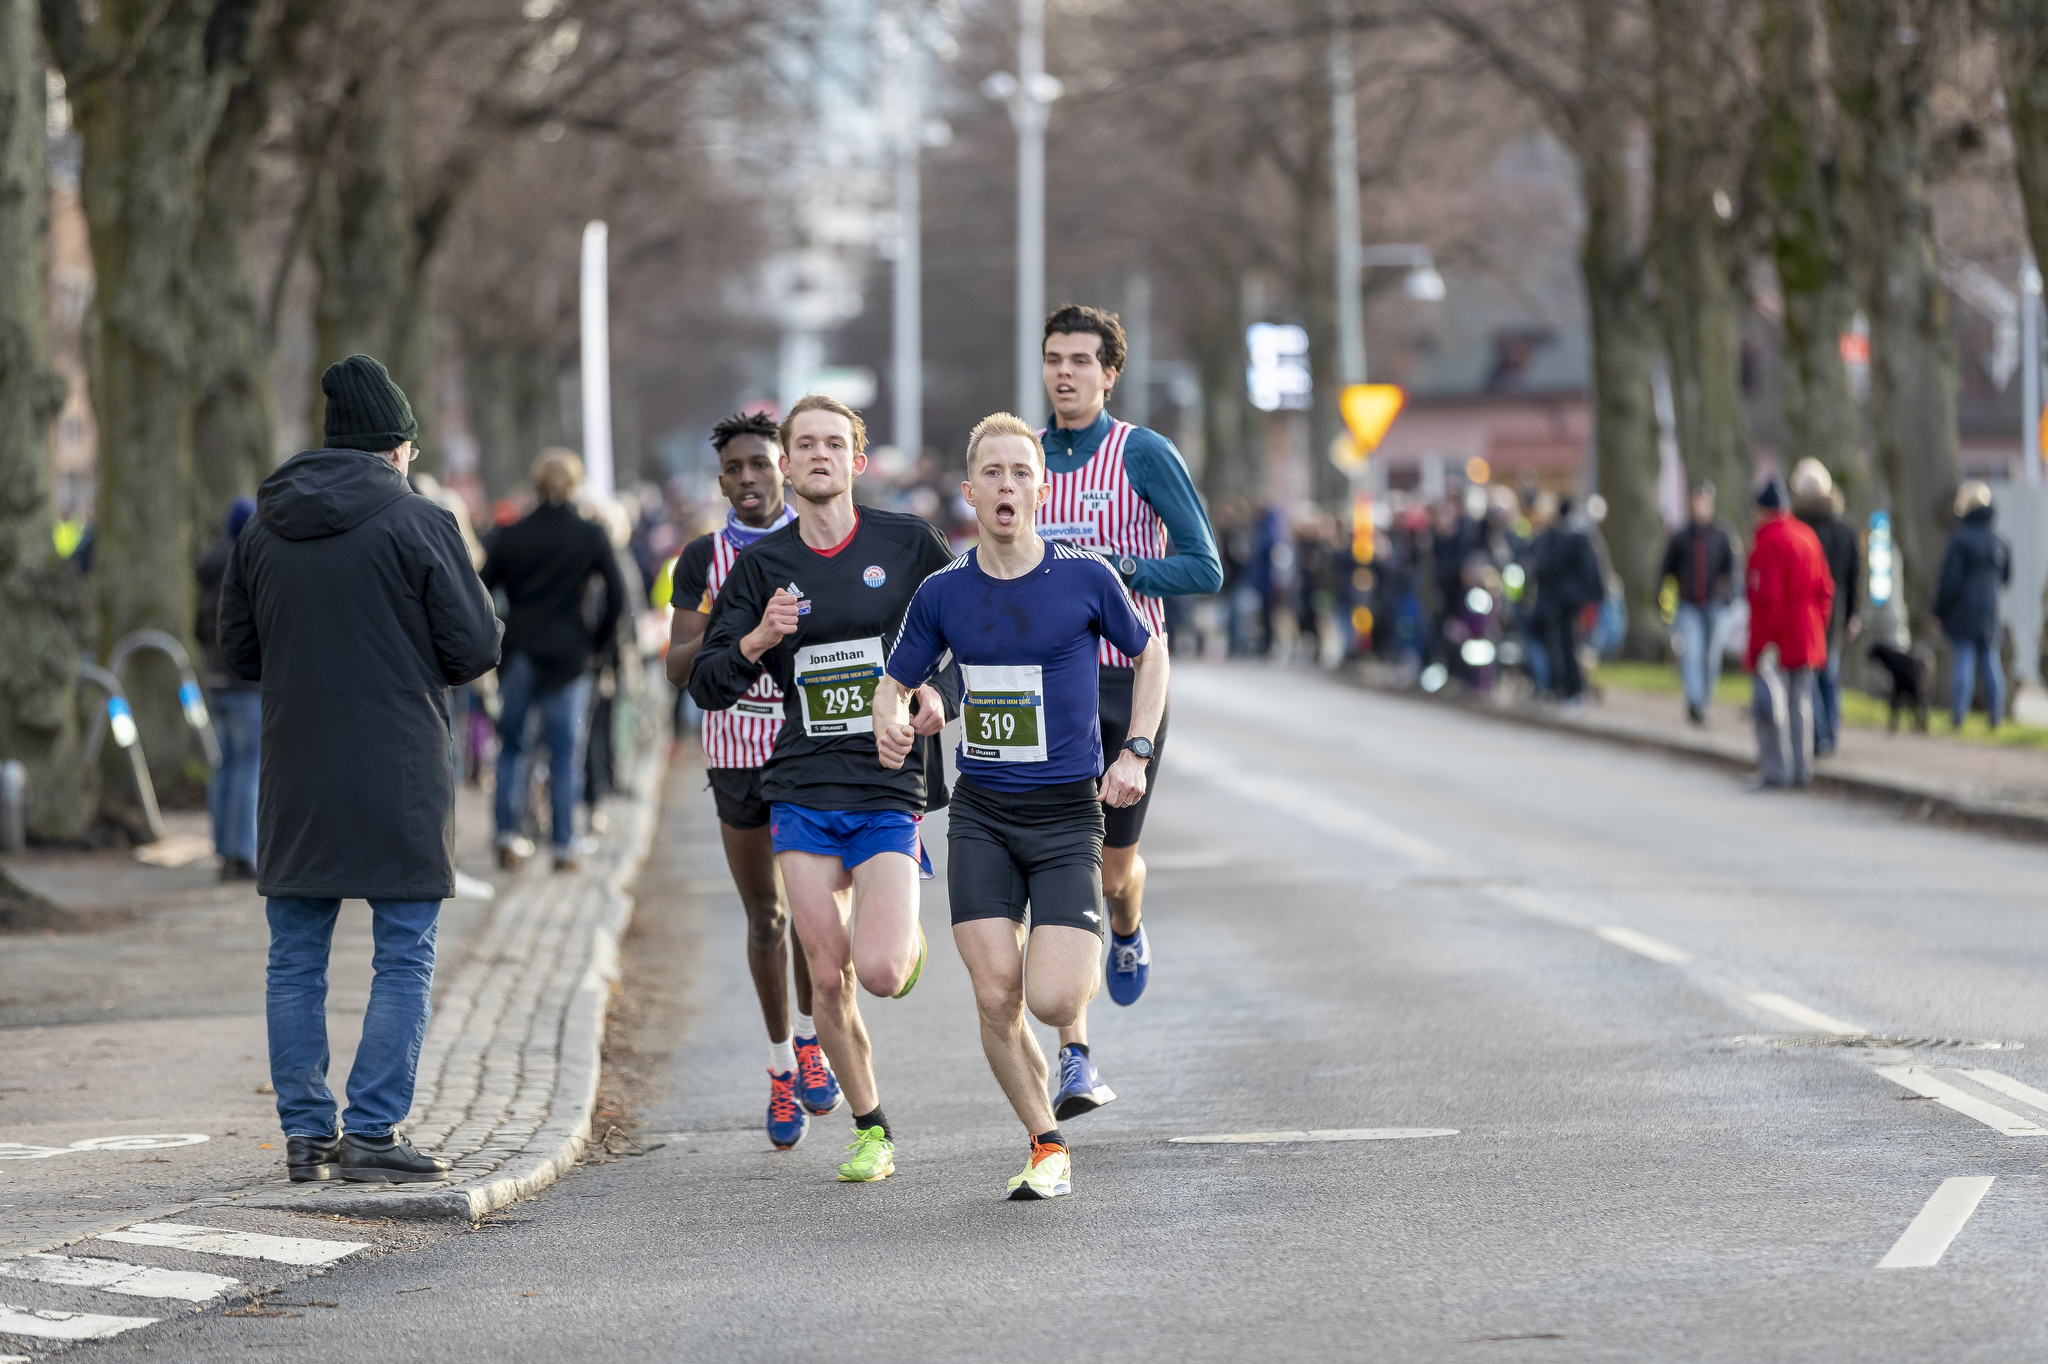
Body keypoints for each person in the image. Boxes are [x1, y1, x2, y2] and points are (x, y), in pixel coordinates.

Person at [218, 354, 501, 1184]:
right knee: (403, 952)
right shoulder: (422, 522)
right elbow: (476, 647)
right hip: (399, 766)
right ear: (396, 446)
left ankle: (306, 1137)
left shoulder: (262, 527)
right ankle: (373, 1132)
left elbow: (238, 652)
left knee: (294, 958)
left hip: (297, 768)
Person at [874, 413, 1167, 1200]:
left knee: (1054, 996)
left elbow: (1151, 656)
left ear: (1041, 488)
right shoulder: (943, 592)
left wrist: (1136, 750)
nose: (1007, 485)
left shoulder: (1084, 577)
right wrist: (890, 723)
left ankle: (1096, 952)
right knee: (995, 993)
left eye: (1020, 472)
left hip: (1067, 815)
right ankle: (1046, 1143)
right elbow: (894, 682)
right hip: (983, 817)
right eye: (992, 473)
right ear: (970, 492)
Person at [689, 394, 956, 1183]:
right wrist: (758, 638)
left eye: (832, 444)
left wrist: (938, 696)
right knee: (826, 973)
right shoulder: (761, 567)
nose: (817, 455)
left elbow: (967, 635)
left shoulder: (908, 543)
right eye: (803, 444)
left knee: (879, 972)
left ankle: (901, 940)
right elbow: (706, 681)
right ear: (787, 463)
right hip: (801, 787)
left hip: (886, 782)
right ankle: (872, 1129)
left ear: (856, 461)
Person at [1036, 303, 1223, 1120]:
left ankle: (1127, 923)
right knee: (1061, 870)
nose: (1065, 372)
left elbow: (1205, 567)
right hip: (1048, 689)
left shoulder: (1141, 452)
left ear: (1109, 374)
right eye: (1054, 358)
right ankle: (1075, 1057)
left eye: (1082, 360)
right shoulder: (1025, 457)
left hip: (1129, 681)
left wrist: (1122, 570)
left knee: (1111, 874)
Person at [664, 412, 841, 1150]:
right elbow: (677, 668)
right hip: (736, 748)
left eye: (761, 464)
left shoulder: (817, 543)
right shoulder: (701, 558)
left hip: (809, 744)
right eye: (735, 468)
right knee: (766, 916)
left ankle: (812, 1038)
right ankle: (780, 1068)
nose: (748, 479)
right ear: (720, 481)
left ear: (785, 470)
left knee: (816, 916)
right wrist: (730, 626)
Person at [481, 449, 626, 872]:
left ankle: (506, 835)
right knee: (565, 753)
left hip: (520, 651)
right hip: (571, 655)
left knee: (513, 747)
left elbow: (479, 588)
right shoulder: (589, 534)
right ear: (575, 483)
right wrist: (597, 644)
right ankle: (563, 844)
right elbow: (618, 596)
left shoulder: (511, 533)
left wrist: (496, 635)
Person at [1744, 474, 1833, 789]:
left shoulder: (1767, 541)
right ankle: (1801, 769)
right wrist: (1818, 625)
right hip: (1808, 632)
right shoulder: (1807, 536)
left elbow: (1767, 599)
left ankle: (1776, 770)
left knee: (1771, 707)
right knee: (1801, 704)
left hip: (1779, 638)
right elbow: (1825, 589)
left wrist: (1761, 643)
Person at [195, 496, 261, 882]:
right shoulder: (248, 566)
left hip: (214, 682)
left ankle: (222, 849)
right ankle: (244, 852)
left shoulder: (207, 571)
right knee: (248, 768)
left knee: (222, 767)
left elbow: (199, 629)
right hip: (246, 685)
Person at [1790, 460, 1860, 755]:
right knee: (1829, 675)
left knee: (1811, 677)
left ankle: (1820, 736)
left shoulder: (1799, 530)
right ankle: (1830, 732)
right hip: (1837, 611)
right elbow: (1854, 576)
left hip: (1808, 611)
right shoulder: (1845, 530)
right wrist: (1853, 614)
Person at [1934, 480, 2013, 731]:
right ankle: (1996, 717)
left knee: (1964, 661)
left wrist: (1939, 611)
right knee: (1990, 661)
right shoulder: (1999, 540)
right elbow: (2006, 578)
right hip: (1990, 610)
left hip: (1962, 611)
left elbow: (1950, 581)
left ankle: (1959, 716)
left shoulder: (1960, 539)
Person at [1659, 481, 1738, 726]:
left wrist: (1728, 594)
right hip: (1689, 604)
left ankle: (1704, 700)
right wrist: (1663, 601)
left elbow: (1732, 568)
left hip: (1714, 604)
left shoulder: (1722, 534)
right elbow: (1666, 570)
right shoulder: (1681, 536)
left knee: (1711, 657)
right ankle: (1694, 701)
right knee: (1691, 652)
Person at [1529, 497, 1602, 705]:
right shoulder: (1577, 538)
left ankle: (1571, 689)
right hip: (1569, 602)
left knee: (1567, 645)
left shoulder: (1567, 539)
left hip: (1565, 603)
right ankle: (1566, 688)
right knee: (1567, 645)